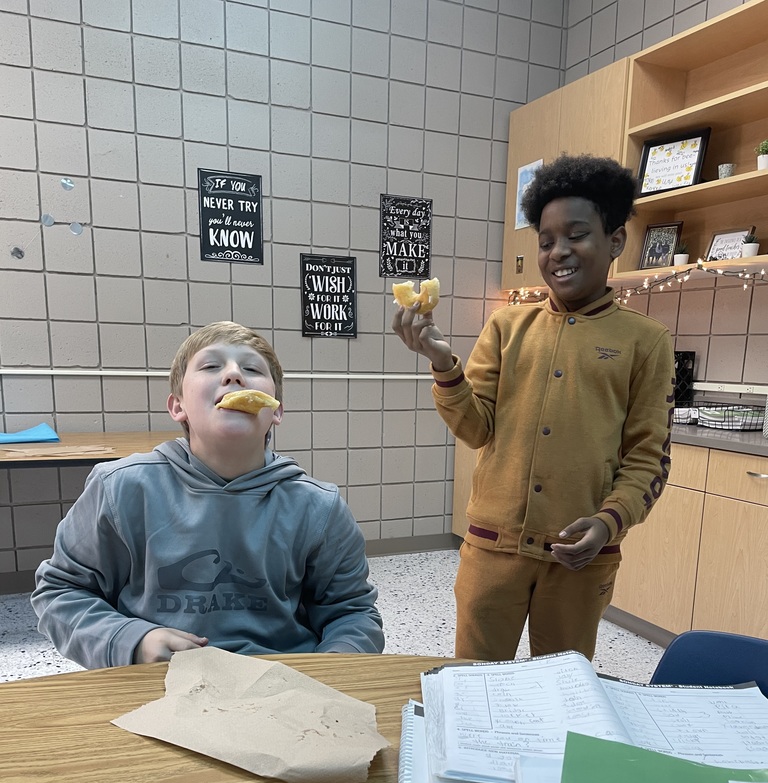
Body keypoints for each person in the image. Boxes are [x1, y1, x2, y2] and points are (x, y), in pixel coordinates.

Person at [392, 154, 675, 662]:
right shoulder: (507, 327)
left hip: (578, 558)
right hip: (490, 550)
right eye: (546, 241)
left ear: (615, 241)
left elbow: (648, 458)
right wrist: (442, 363)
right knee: (474, 681)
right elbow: (475, 428)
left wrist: (609, 522)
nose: (558, 252)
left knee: (562, 689)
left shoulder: (646, 341)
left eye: (576, 235)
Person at [33, 322, 384, 668]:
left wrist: (339, 665)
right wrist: (131, 640)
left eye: (251, 369)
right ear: (177, 407)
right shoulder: (120, 488)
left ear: (275, 410)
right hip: (155, 682)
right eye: (211, 366)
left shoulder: (319, 508)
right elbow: (61, 593)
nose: (233, 375)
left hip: (283, 681)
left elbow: (352, 613)